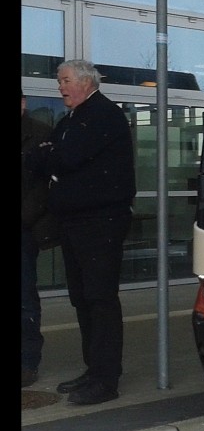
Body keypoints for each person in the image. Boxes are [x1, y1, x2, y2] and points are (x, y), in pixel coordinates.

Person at [27, 60, 136, 405]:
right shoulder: (72, 119)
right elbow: (45, 157)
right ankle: (94, 370)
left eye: (65, 80)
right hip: (75, 225)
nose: (60, 88)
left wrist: (50, 154)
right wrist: (49, 154)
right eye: (59, 81)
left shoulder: (103, 114)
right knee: (83, 299)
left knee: (100, 299)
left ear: (87, 82)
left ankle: (106, 379)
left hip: (99, 224)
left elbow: (66, 158)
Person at [21, 88, 52, 388]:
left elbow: (44, 186)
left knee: (24, 298)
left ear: (23, 104)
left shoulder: (40, 134)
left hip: (24, 229)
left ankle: (27, 362)